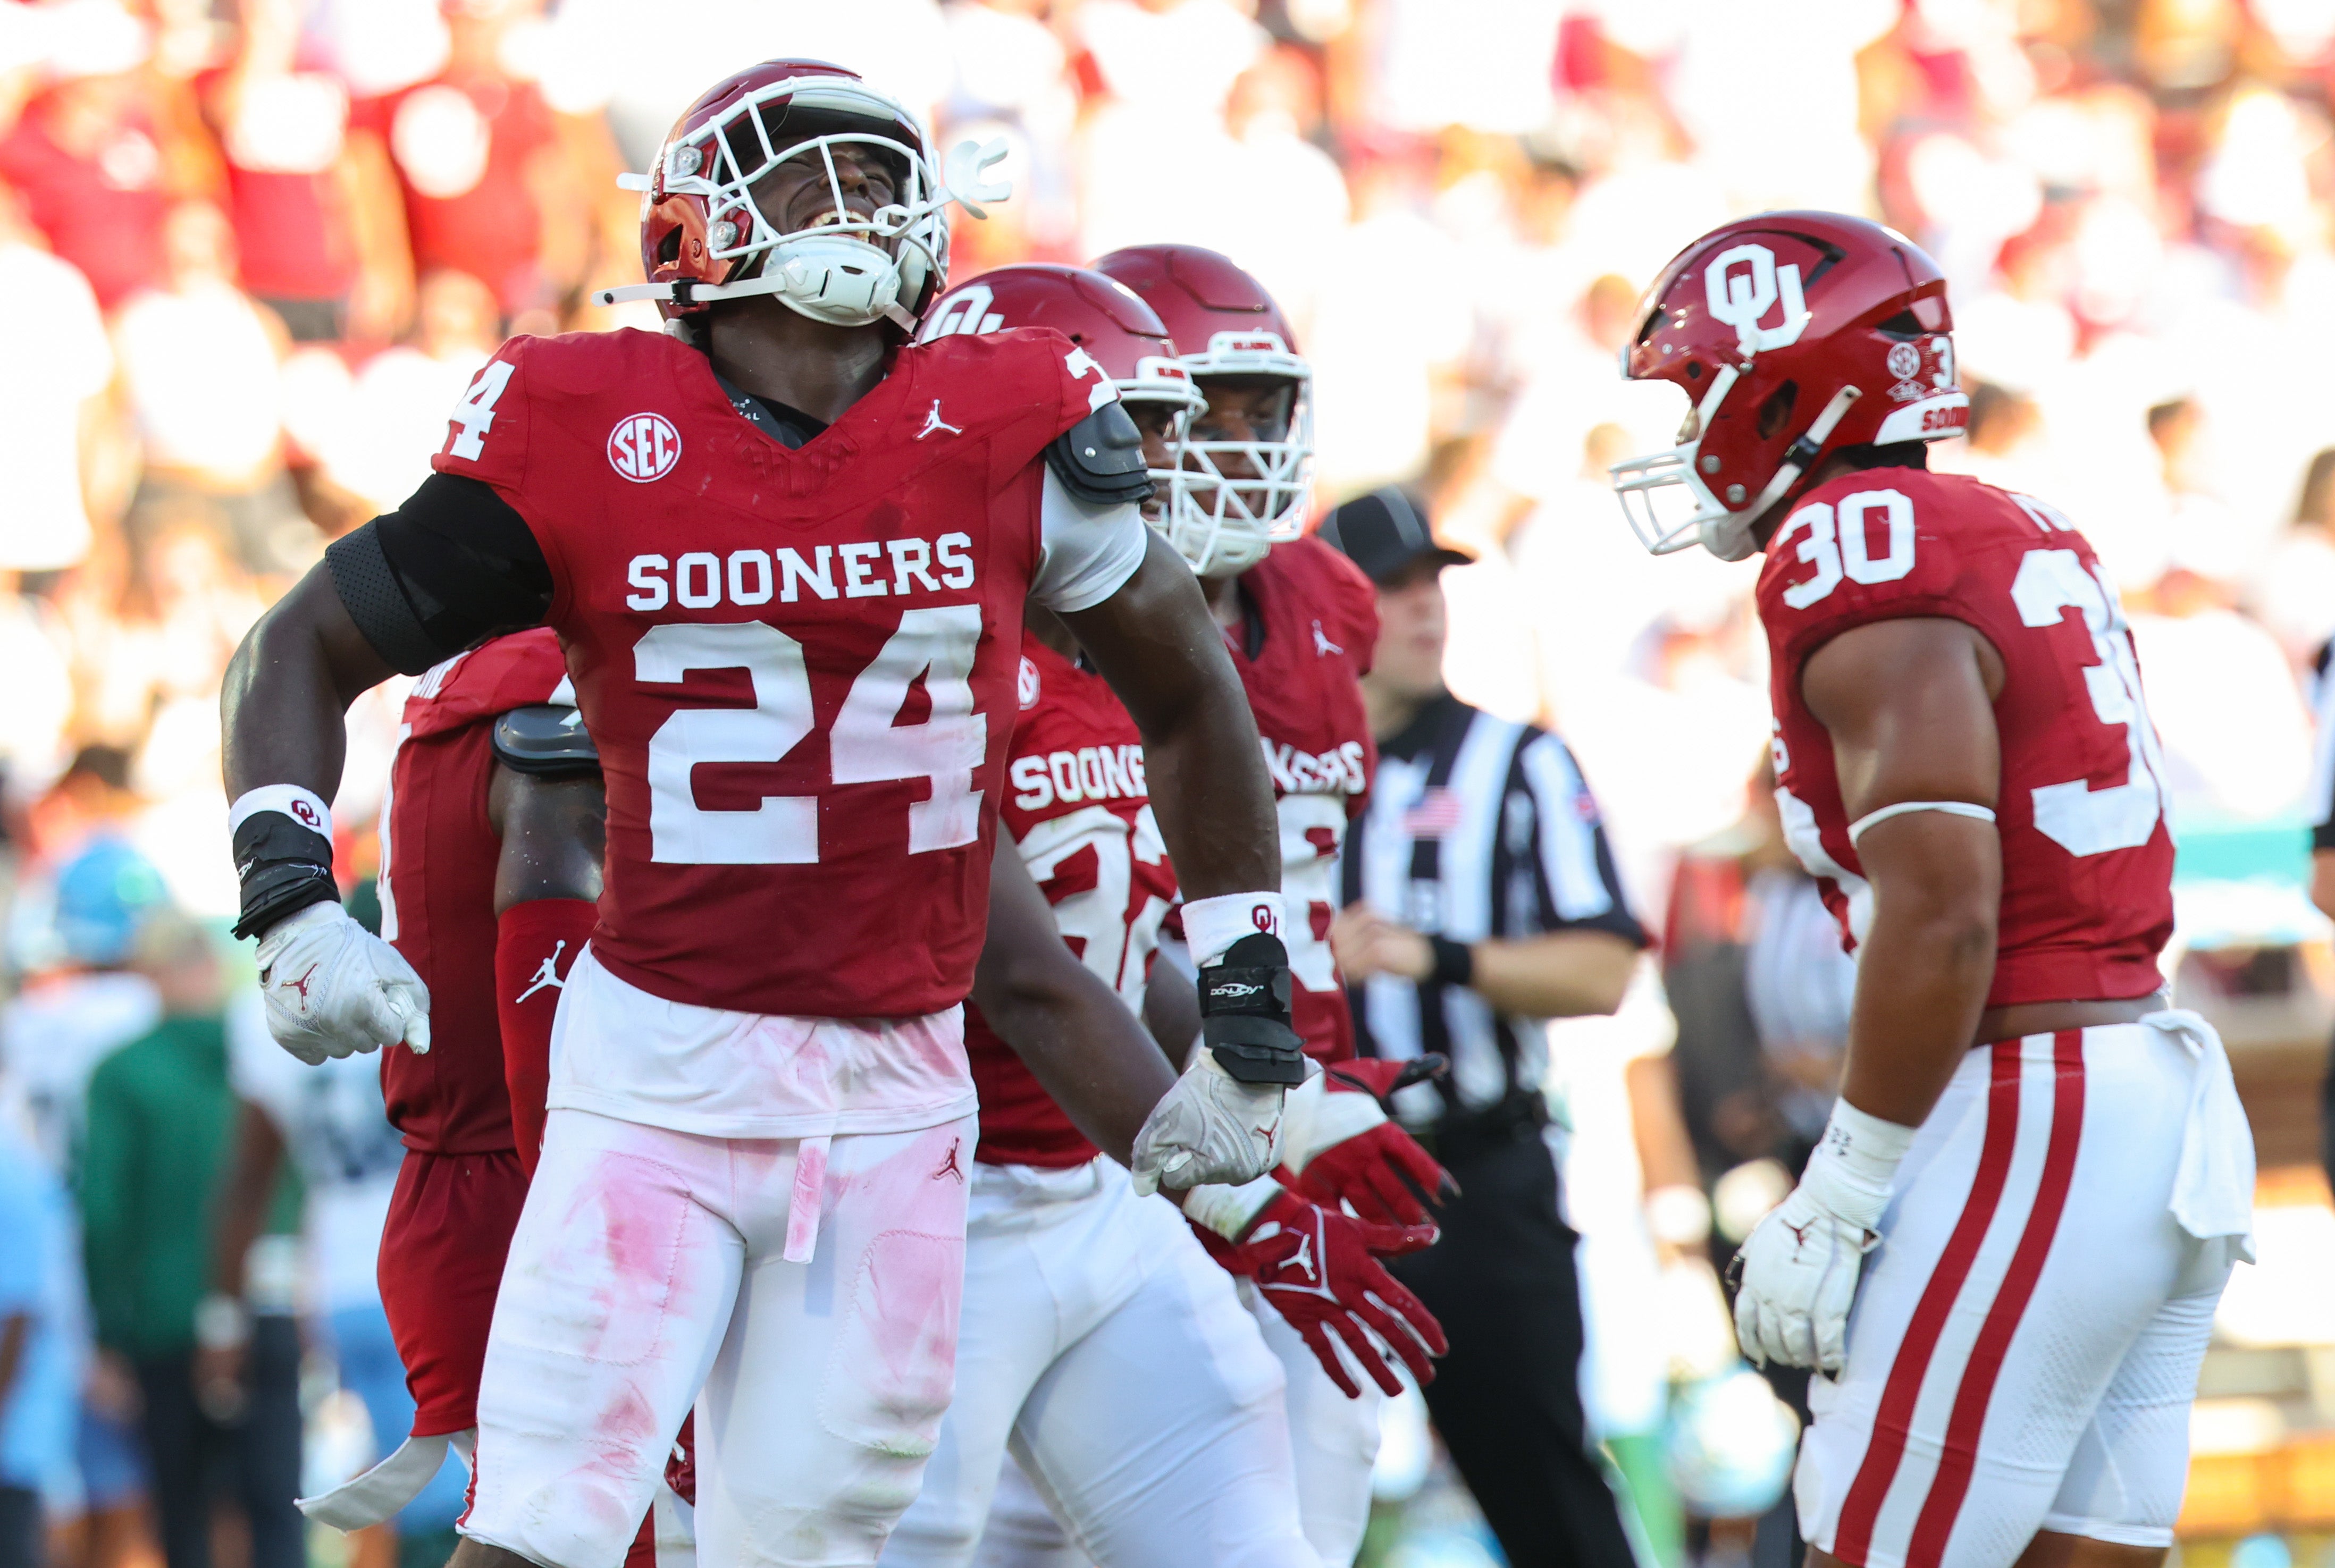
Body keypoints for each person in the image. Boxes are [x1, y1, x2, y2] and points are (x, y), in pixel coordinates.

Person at [218, 60, 1295, 1568]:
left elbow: (1191, 694)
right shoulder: (587, 416)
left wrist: (1250, 1000)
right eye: (804, 177)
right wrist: (288, 894)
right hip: (658, 1065)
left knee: (806, 1546)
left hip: (900, 1091)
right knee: (546, 1524)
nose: (850, 206)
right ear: (688, 232)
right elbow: (301, 644)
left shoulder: (998, 414)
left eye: (873, 175)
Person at [1615, 211, 2256, 1567]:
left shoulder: (1855, 541)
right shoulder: (2009, 520)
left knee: (1861, 1538)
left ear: (1780, 385)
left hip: (2033, 1103)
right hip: (2140, 1092)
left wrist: (1845, 1181)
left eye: (1694, 389)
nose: (1685, 432)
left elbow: (1945, 904)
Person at [885, 264, 1444, 1568]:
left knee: (1262, 1529)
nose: (1168, 464)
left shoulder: (1110, 668)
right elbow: (1029, 978)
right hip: (922, 1196)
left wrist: (1292, 1093)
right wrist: (1256, 1185)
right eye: (1130, 429)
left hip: (1098, 1187)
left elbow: (1133, 957)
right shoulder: (927, 652)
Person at [1090, 243, 1449, 1567]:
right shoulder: (1073, 617)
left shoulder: (1323, 598)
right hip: (1134, 1093)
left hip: (1295, 1078)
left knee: (1324, 1436)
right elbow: (1104, 927)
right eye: (1204, 415)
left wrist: (1318, 1079)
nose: (1237, 448)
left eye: (1261, 412)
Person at [1319, 486, 1648, 1566]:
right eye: (1391, 584)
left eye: (1433, 582)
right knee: (1272, 1499)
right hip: (1303, 1188)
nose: (1424, 608)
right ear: (1328, 606)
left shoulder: (1520, 764)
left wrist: (1438, 955)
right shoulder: (1264, 767)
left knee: (1546, 1492)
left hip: (1470, 1178)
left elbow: (1603, 968)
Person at [77, 912, 303, 1568]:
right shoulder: (268, 1055)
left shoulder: (123, 1073)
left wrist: (108, 1333)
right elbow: (292, 1188)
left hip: (164, 1321)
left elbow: (104, 1210)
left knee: (183, 1512)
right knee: (277, 1507)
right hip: (264, 1309)